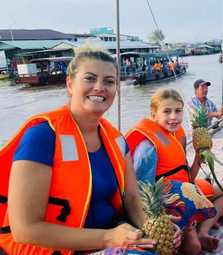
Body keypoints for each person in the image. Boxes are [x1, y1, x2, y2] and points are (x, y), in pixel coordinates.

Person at [0, 45, 181, 254]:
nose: (99, 87)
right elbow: (25, 230)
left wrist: (151, 227)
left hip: (110, 234)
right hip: (56, 248)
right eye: (90, 78)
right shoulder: (43, 136)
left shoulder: (116, 139)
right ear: (70, 84)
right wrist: (108, 238)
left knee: (176, 227)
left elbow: (132, 197)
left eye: (109, 81)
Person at [125, 88, 223, 254]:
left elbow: (188, 177)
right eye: (166, 112)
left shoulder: (178, 135)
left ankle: (202, 231)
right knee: (193, 248)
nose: (173, 117)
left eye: (178, 111)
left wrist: (199, 154)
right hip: (166, 203)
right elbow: (140, 193)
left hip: (186, 192)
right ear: (154, 115)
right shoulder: (147, 148)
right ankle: (196, 231)